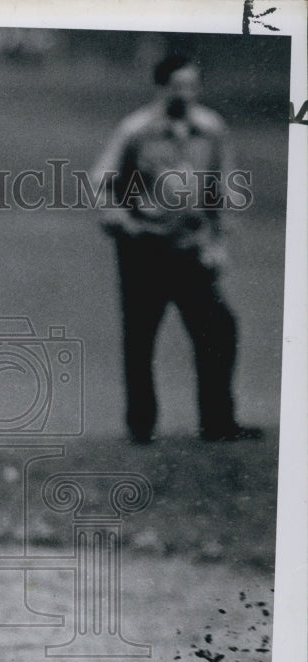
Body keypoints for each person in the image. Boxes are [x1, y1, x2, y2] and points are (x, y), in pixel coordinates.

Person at [92, 53, 262, 444]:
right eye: (177, 86)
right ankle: (141, 426)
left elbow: (226, 189)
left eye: (191, 85)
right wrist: (118, 219)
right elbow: (103, 181)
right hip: (145, 249)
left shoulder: (211, 130)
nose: (184, 94)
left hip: (191, 248)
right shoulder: (135, 130)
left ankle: (217, 421)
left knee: (218, 329)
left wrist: (218, 243)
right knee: (141, 337)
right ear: (161, 87)